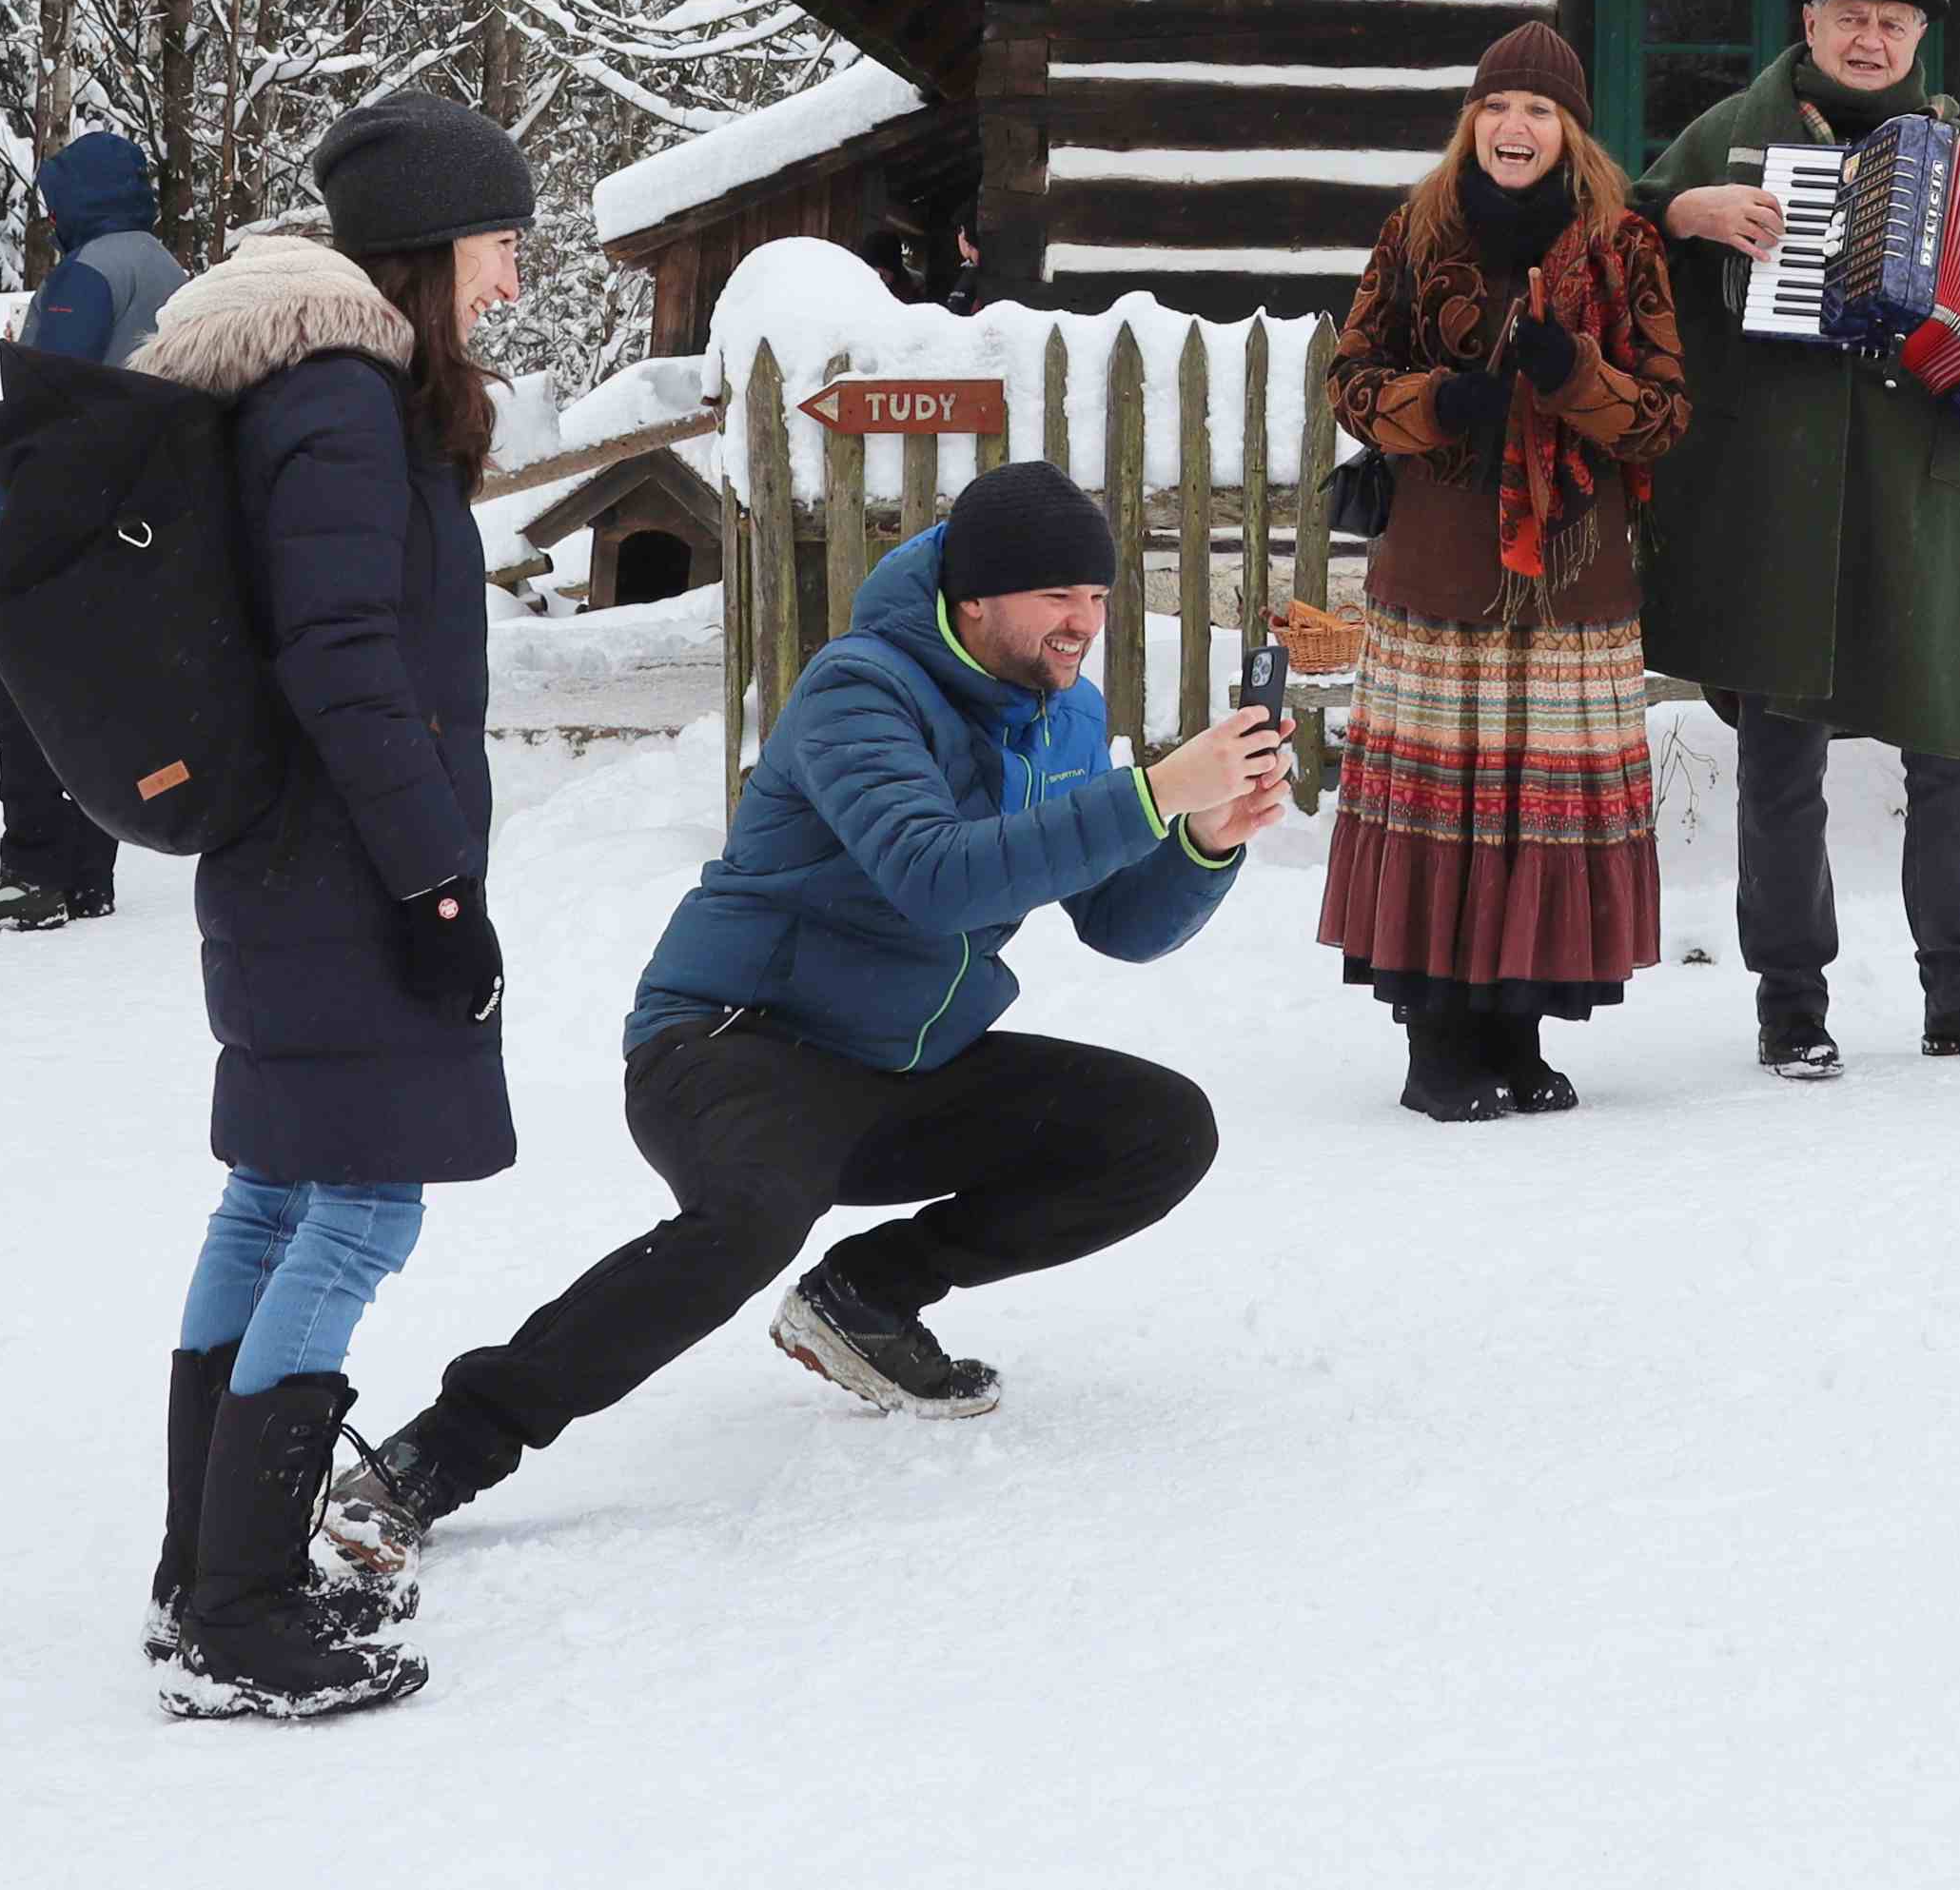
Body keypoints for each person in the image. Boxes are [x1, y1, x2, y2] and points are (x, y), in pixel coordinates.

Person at [324, 461, 1284, 1564]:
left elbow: (1121, 924)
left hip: (902, 1063)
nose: (1084, 625)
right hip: (734, 1042)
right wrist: (1156, 793)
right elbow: (934, 874)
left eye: (1100, 600)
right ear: (975, 598)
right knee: (749, 1217)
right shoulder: (859, 691)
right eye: (1059, 597)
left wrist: (1205, 839)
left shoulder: (1063, 719)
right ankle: (433, 1456)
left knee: (1160, 1127)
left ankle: (864, 1298)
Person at [118, 94, 529, 1723]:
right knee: (358, 1208)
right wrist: (437, 885)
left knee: (277, 1196)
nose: (506, 282)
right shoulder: (343, 402)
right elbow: (348, 659)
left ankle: (201, 1573)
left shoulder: (312, 390)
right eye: (498, 249)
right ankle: (240, 1606)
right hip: (344, 864)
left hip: (290, 859)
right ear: (428, 249)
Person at [1637, 0, 1960, 1078]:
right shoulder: (1727, 141)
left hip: (1927, 495)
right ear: (1807, 26)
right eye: (1850, 17)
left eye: (1894, 22)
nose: (1871, 39)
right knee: (1782, 756)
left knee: (1957, 743)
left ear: (1919, 37)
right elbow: (1611, 258)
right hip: (1782, 493)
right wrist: (1680, 219)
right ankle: (1791, 1003)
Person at [1320, 23, 1693, 1120]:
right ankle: (1437, 1048)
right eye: (1495, 109)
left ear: (1570, 132)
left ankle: (1517, 1036)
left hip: (1571, 586)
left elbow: (1665, 419)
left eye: (1537, 112)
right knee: (1446, 807)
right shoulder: (1415, 229)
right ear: (1471, 124)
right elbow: (1350, 377)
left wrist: (1575, 374)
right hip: (1441, 568)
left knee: (1537, 813)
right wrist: (1436, 402)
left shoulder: (1623, 246)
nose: (1513, 129)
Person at [0, 126, 189, 932]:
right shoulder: (170, 273)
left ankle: (34, 872)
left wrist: (2, 459)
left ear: (73, 203)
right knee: (89, 696)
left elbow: (52, 392)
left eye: (53, 204)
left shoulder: (89, 274)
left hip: (63, 513)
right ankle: (87, 874)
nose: (49, 219)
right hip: (135, 515)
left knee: (23, 686)